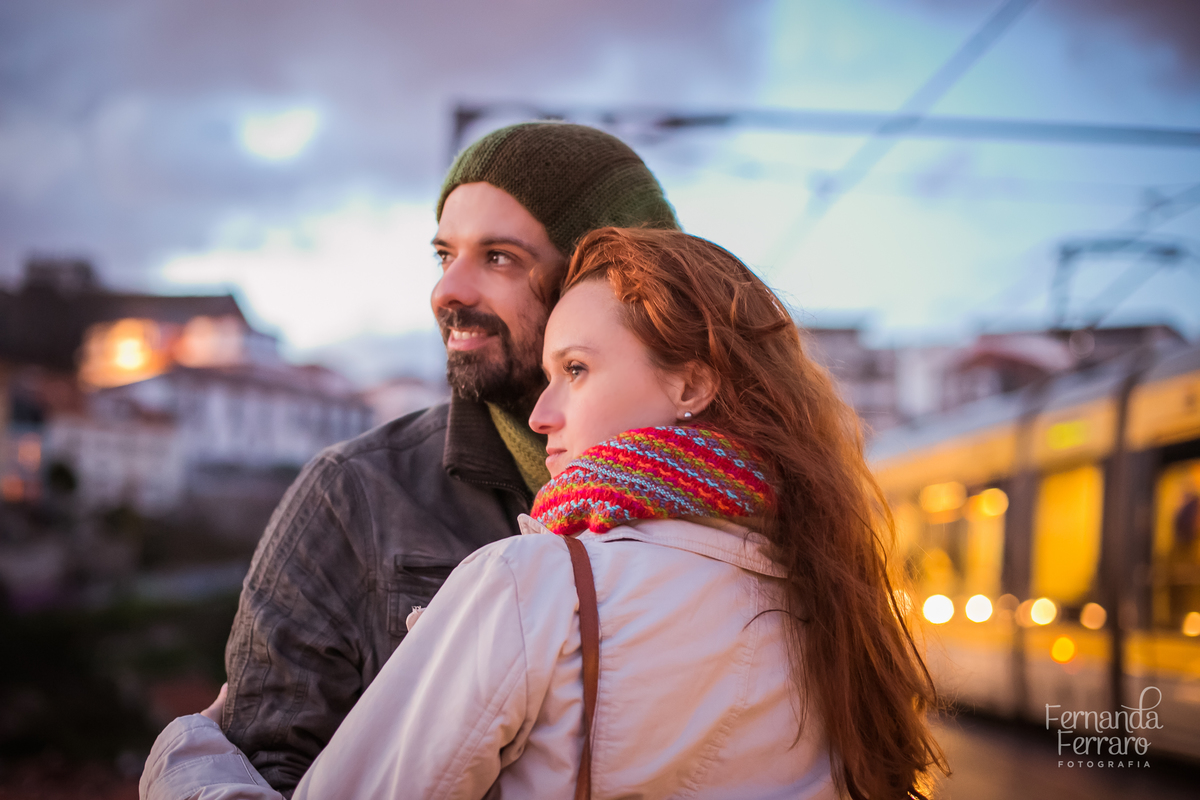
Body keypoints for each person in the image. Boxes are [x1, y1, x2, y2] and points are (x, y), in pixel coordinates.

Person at [142, 227, 946, 800]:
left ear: (693, 387)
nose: (542, 413)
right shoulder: (829, 600)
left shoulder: (536, 586)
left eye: (577, 370)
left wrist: (190, 755)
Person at [219, 121, 679, 793]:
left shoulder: (735, 509)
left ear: (605, 289)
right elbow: (264, 768)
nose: (447, 292)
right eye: (445, 255)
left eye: (499, 257)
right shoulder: (356, 496)